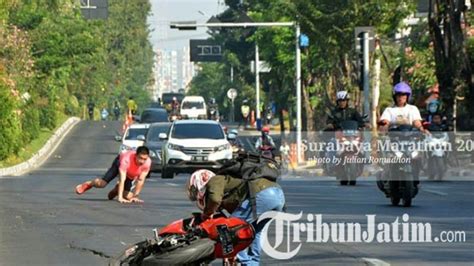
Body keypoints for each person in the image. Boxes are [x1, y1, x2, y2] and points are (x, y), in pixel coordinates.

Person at [186, 169, 285, 265]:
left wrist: (207, 214)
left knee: (227, 230)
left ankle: (241, 261)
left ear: (199, 181)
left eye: (195, 190)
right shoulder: (228, 183)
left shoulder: (215, 180)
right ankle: (252, 263)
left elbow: (215, 199)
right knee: (255, 231)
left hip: (262, 194)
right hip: (278, 196)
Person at [75, 146, 151, 203]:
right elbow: (122, 179)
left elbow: (141, 180)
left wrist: (136, 196)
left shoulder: (147, 163)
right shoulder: (126, 160)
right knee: (101, 184)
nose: (142, 161)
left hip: (131, 173)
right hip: (118, 164)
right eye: (140, 158)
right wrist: (120, 198)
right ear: (135, 156)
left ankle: (116, 190)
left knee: (129, 197)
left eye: (144, 159)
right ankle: (89, 184)